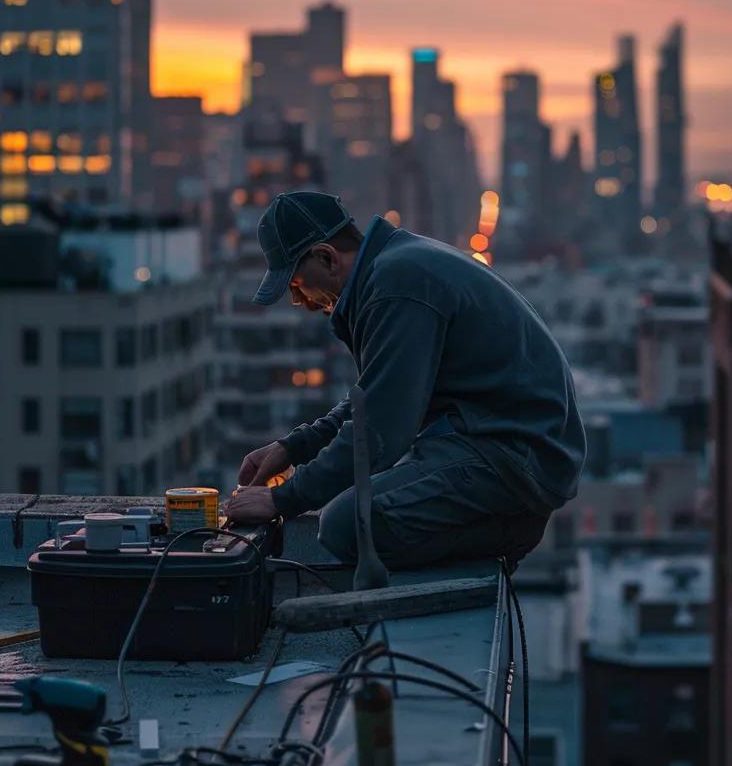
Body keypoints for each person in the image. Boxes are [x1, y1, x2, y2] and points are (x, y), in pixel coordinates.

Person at [226, 191, 586, 569]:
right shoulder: (395, 265)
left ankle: (507, 532)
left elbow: (382, 429)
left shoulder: (396, 285)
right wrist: (294, 448)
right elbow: (376, 395)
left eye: (298, 284)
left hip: (511, 457)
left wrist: (283, 500)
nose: (300, 300)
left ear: (326, 258)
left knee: (347, 527)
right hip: (499, 445)